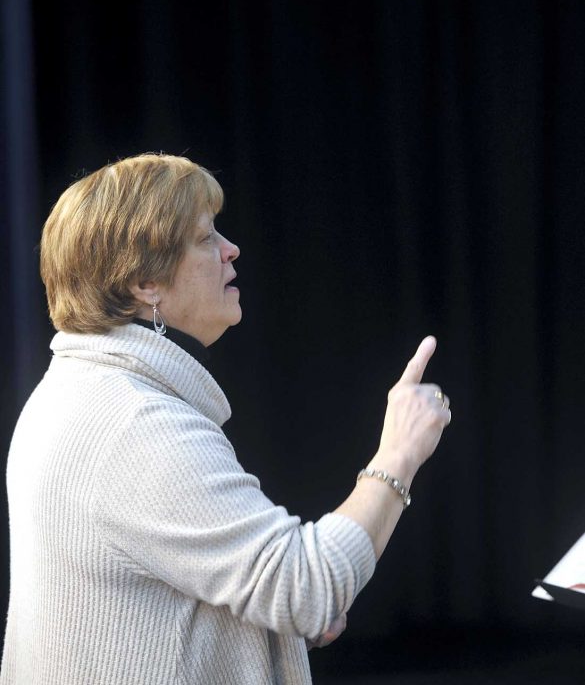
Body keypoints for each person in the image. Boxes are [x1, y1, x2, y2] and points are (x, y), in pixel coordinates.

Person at [0, 153, 451, 685]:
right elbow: (306, 589)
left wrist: (270, 625)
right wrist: (399, 452)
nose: (230, 248)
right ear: (145, 281)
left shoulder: (77, 392)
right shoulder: (137, 425)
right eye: (204, 237)